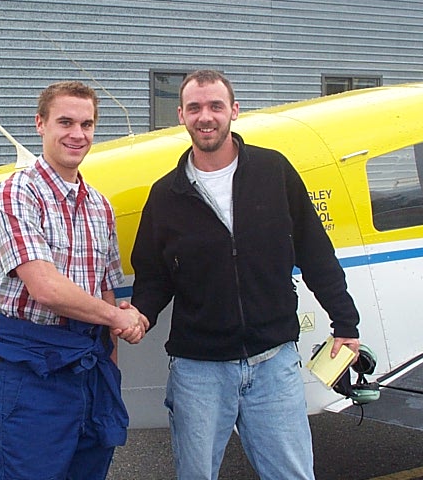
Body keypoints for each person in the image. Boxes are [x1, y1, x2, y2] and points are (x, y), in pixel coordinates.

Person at [130, 69, 360, 480]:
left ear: (234, 111)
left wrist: (346, 323)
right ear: (181, 115)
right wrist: (140, 315)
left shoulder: (274, 171)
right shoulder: (166, 194)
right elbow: (153, 276)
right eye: (195, 107)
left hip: (274, 362)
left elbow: (314, 251)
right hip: (198, 370)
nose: (206, 117)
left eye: (216, 106)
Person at [0, 81, 147, 480]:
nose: (78, 134)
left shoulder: (100, 206)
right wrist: (118, 318)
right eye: (65, 122)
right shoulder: (15, 195)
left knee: (90, 469)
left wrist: (111, 367)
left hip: (91, 364)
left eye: (87, 124)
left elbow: (106, 289)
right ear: (40, 124)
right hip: (33, 367)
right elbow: (46, 288)